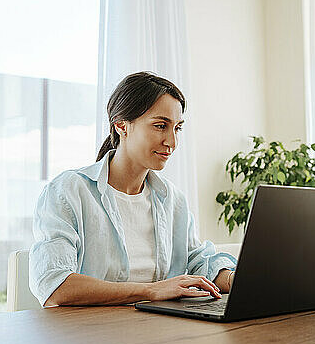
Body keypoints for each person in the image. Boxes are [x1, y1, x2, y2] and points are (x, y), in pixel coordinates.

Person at [29, 71, 237, 307]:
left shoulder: (172, 200)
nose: (172, 141)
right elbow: (55, 285)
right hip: (88, 335)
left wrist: (235, 280)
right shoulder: (69, 191)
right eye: (160, 126)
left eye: (177, 128)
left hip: (157, 330)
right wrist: (151, 291)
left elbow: (199, 260)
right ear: (121, 125)